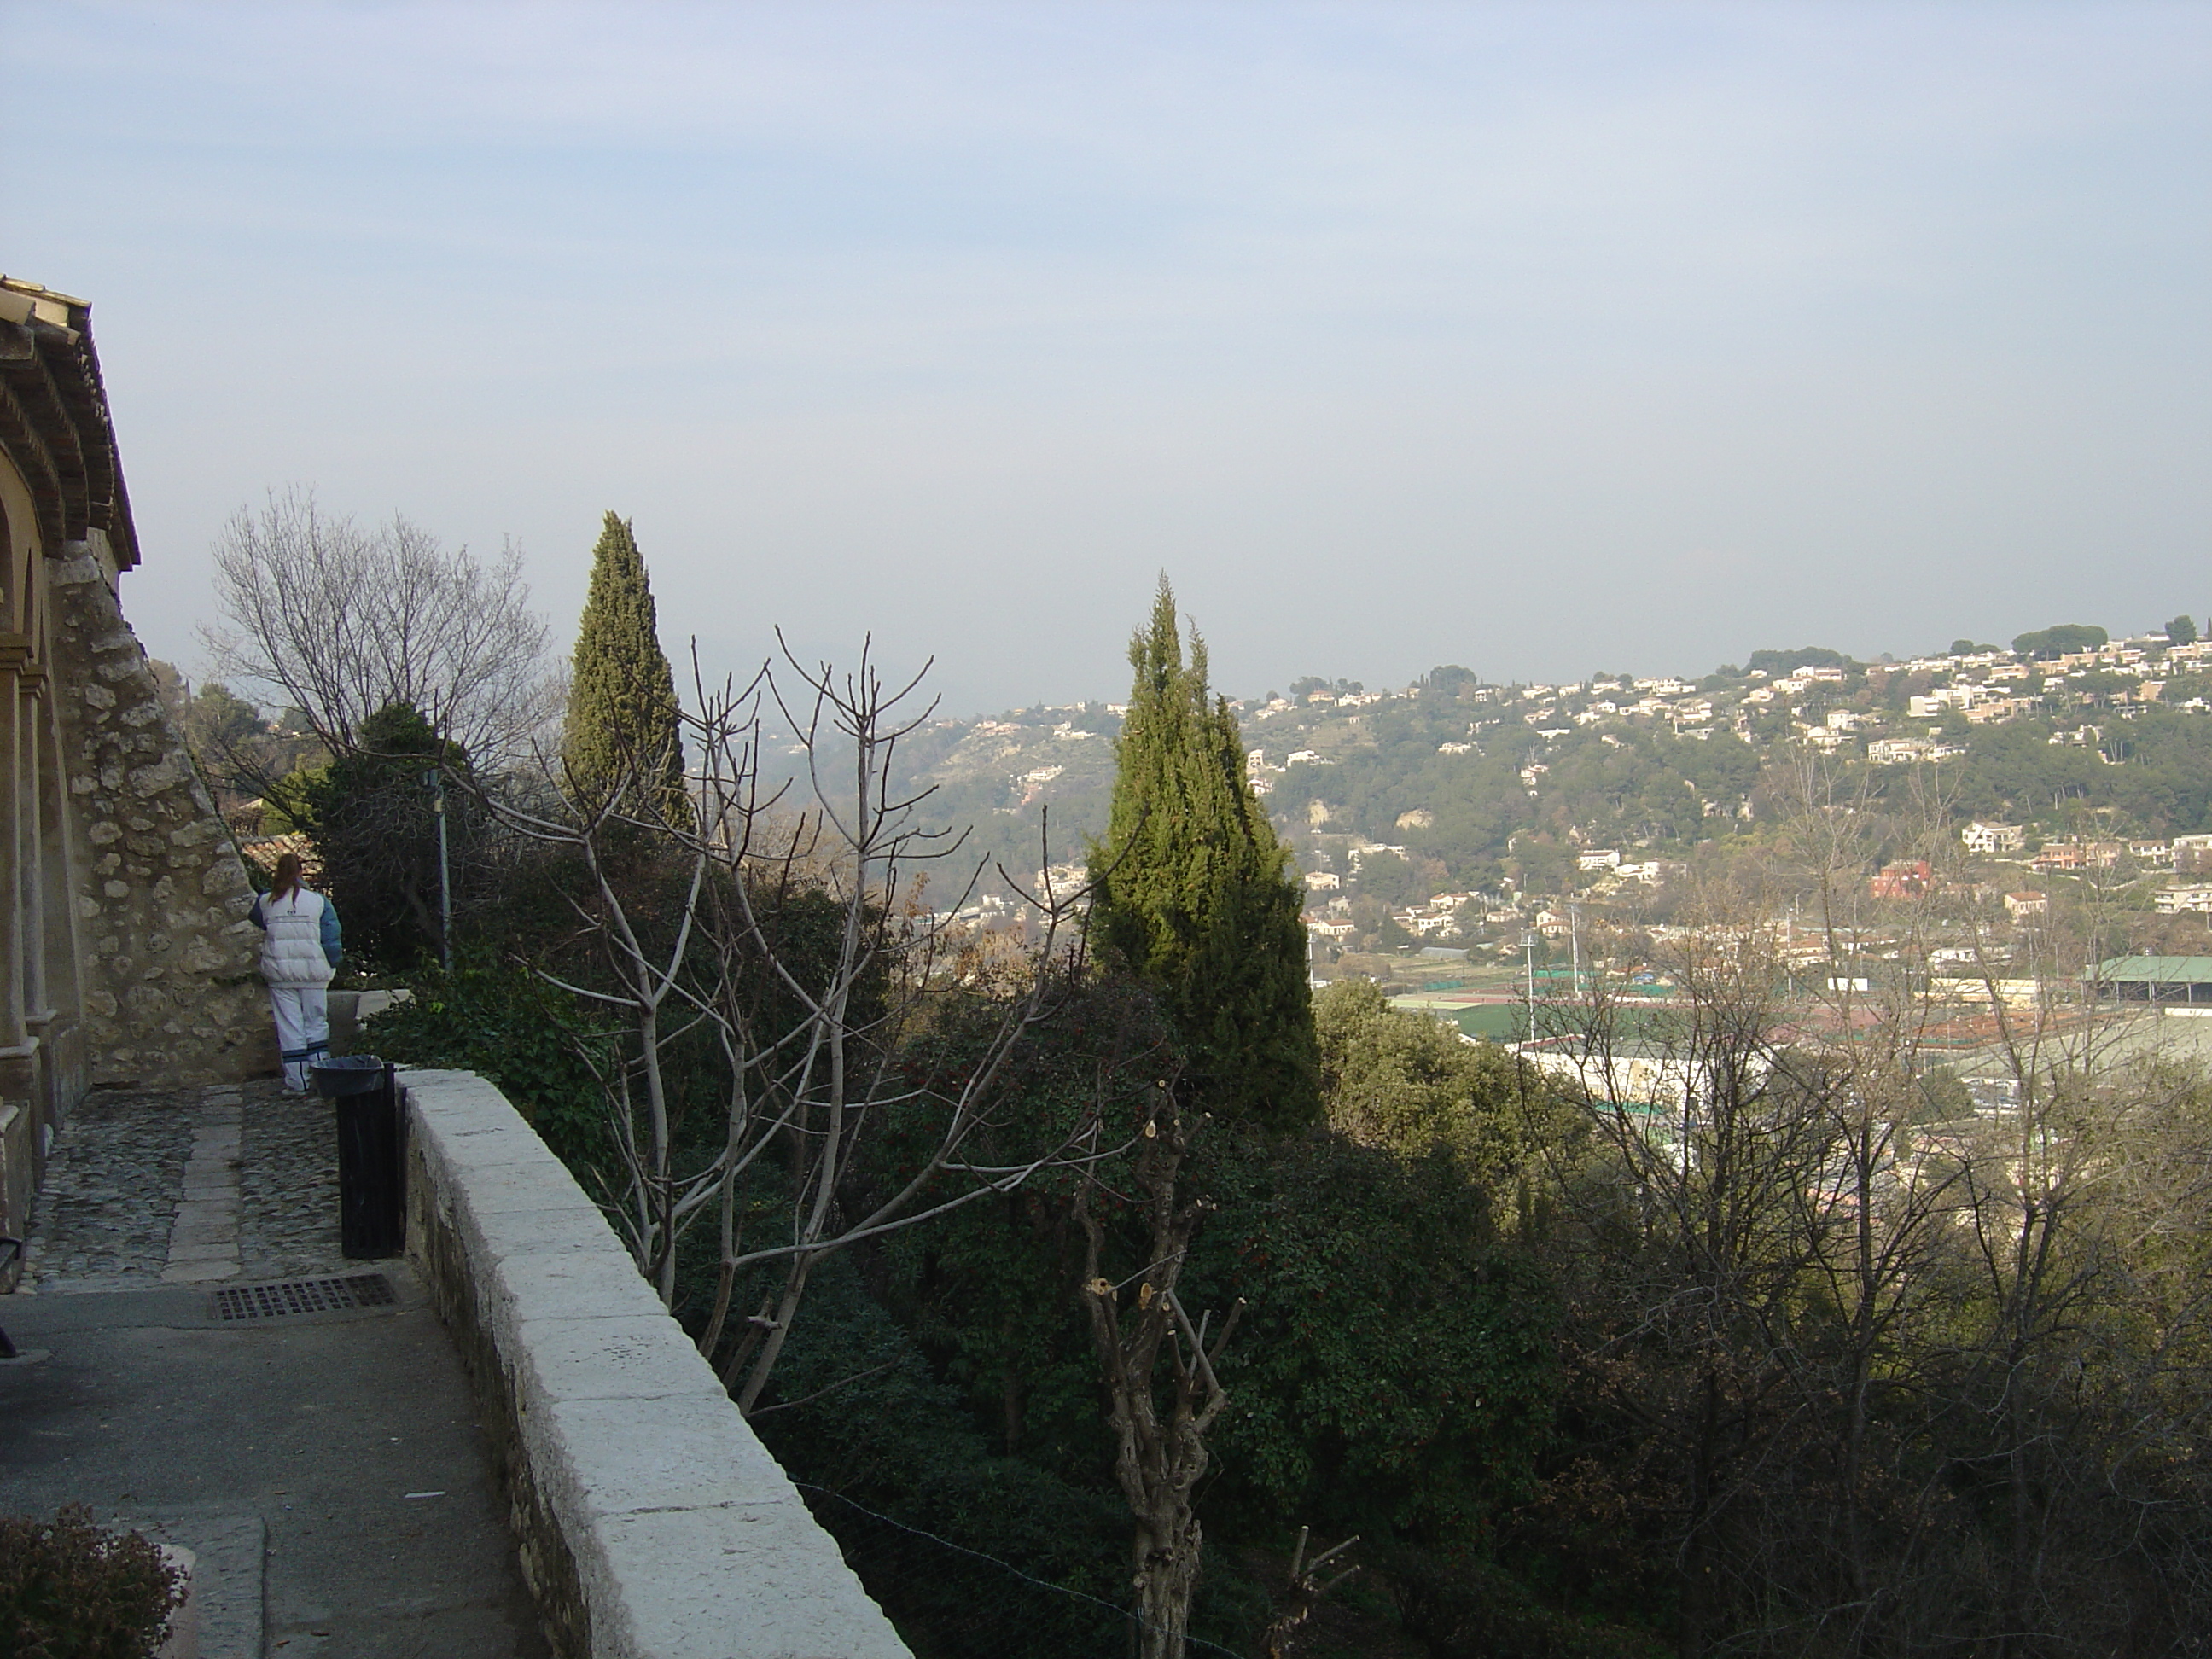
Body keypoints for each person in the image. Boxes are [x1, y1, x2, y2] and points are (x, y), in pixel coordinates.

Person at [249, 853, 343, 1092]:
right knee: (316, 1023)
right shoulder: (318, 902)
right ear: (301, 872)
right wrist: (332, 963)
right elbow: (331, 939)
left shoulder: (265, 902)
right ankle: (323, 1078)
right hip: (314, 972)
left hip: (280, 973)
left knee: (290, 1027)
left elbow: (259, 921)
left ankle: (297, 1081)